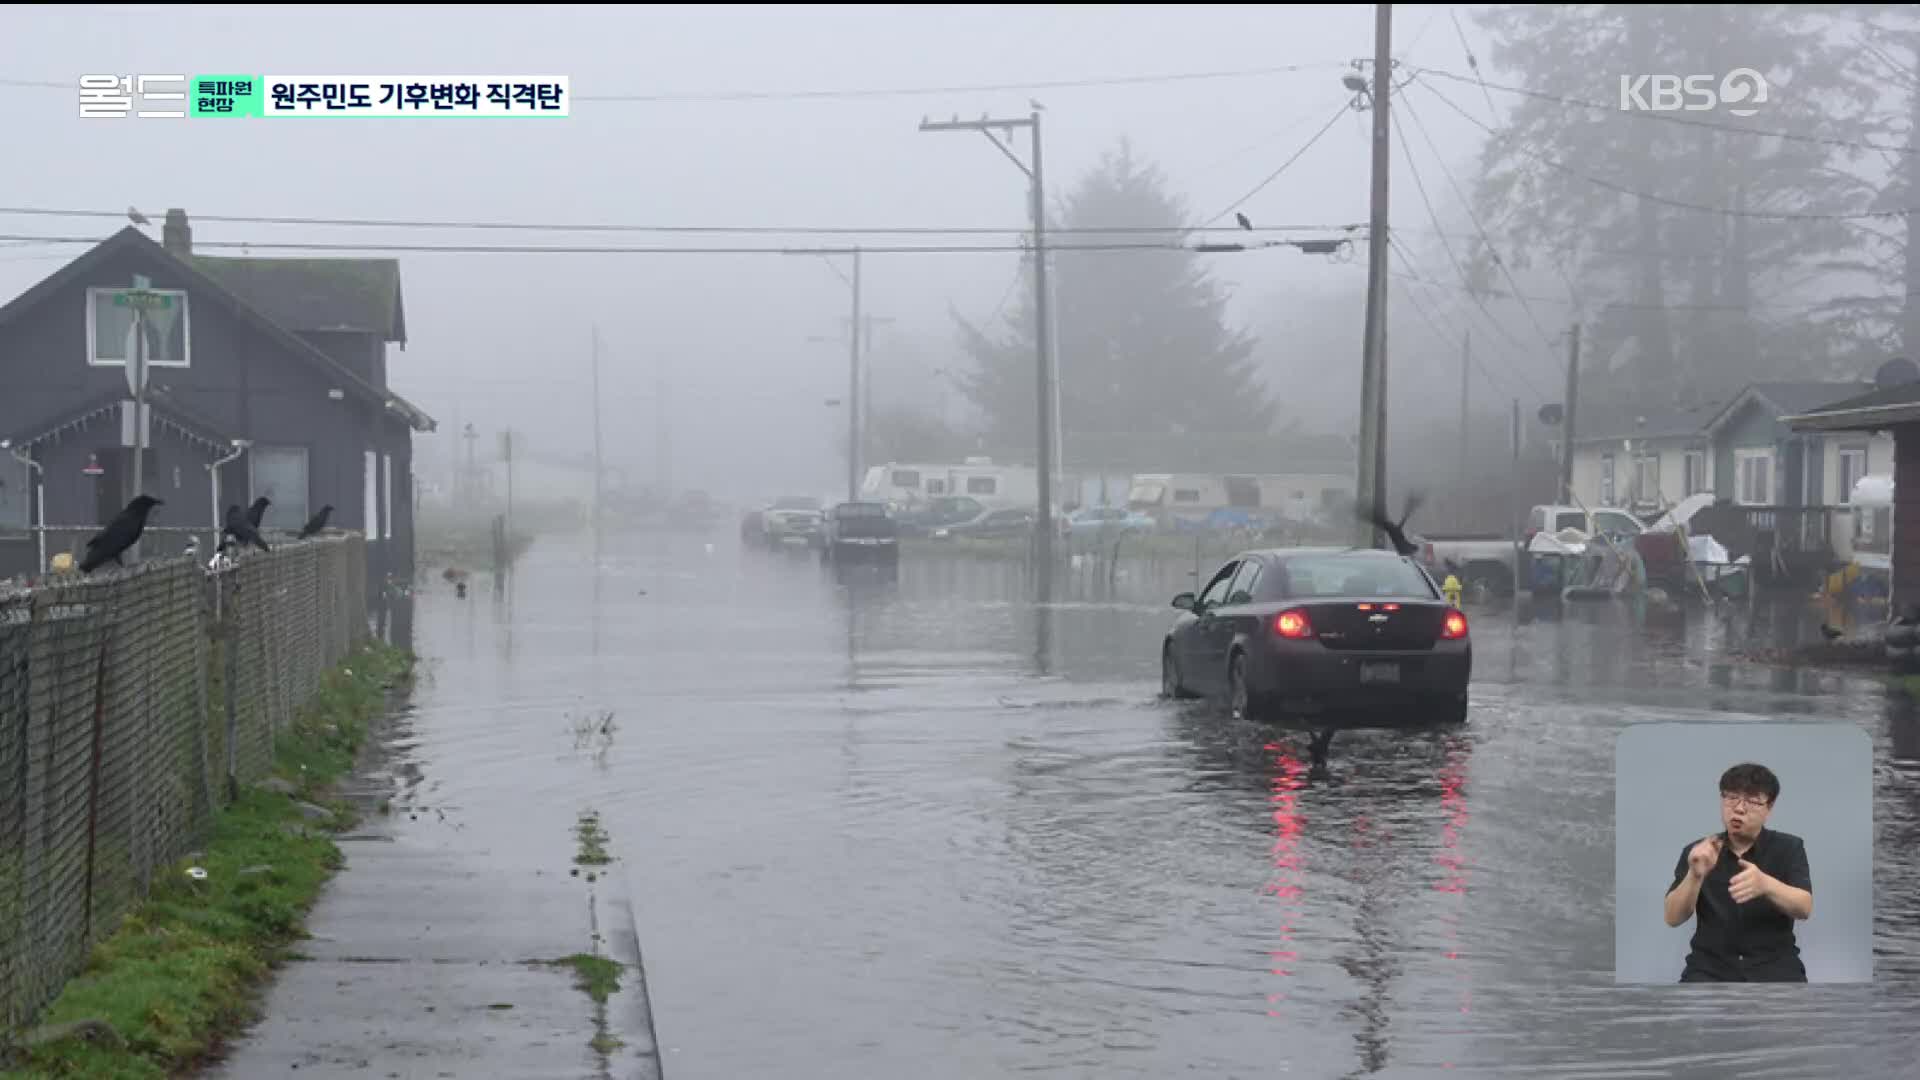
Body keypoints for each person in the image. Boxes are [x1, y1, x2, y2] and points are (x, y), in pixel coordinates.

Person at [1663, 763, 1814, 982]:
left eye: (1752, 801)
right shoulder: (1698, 852)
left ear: (1769, 807)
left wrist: (1765, 885)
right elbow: (1672, 917)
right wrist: (1694, 876)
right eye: (1731, 797)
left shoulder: (1789, 848)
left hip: (1775, 967)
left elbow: (1804, 907)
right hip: (1710, 969)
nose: (1739, 808)